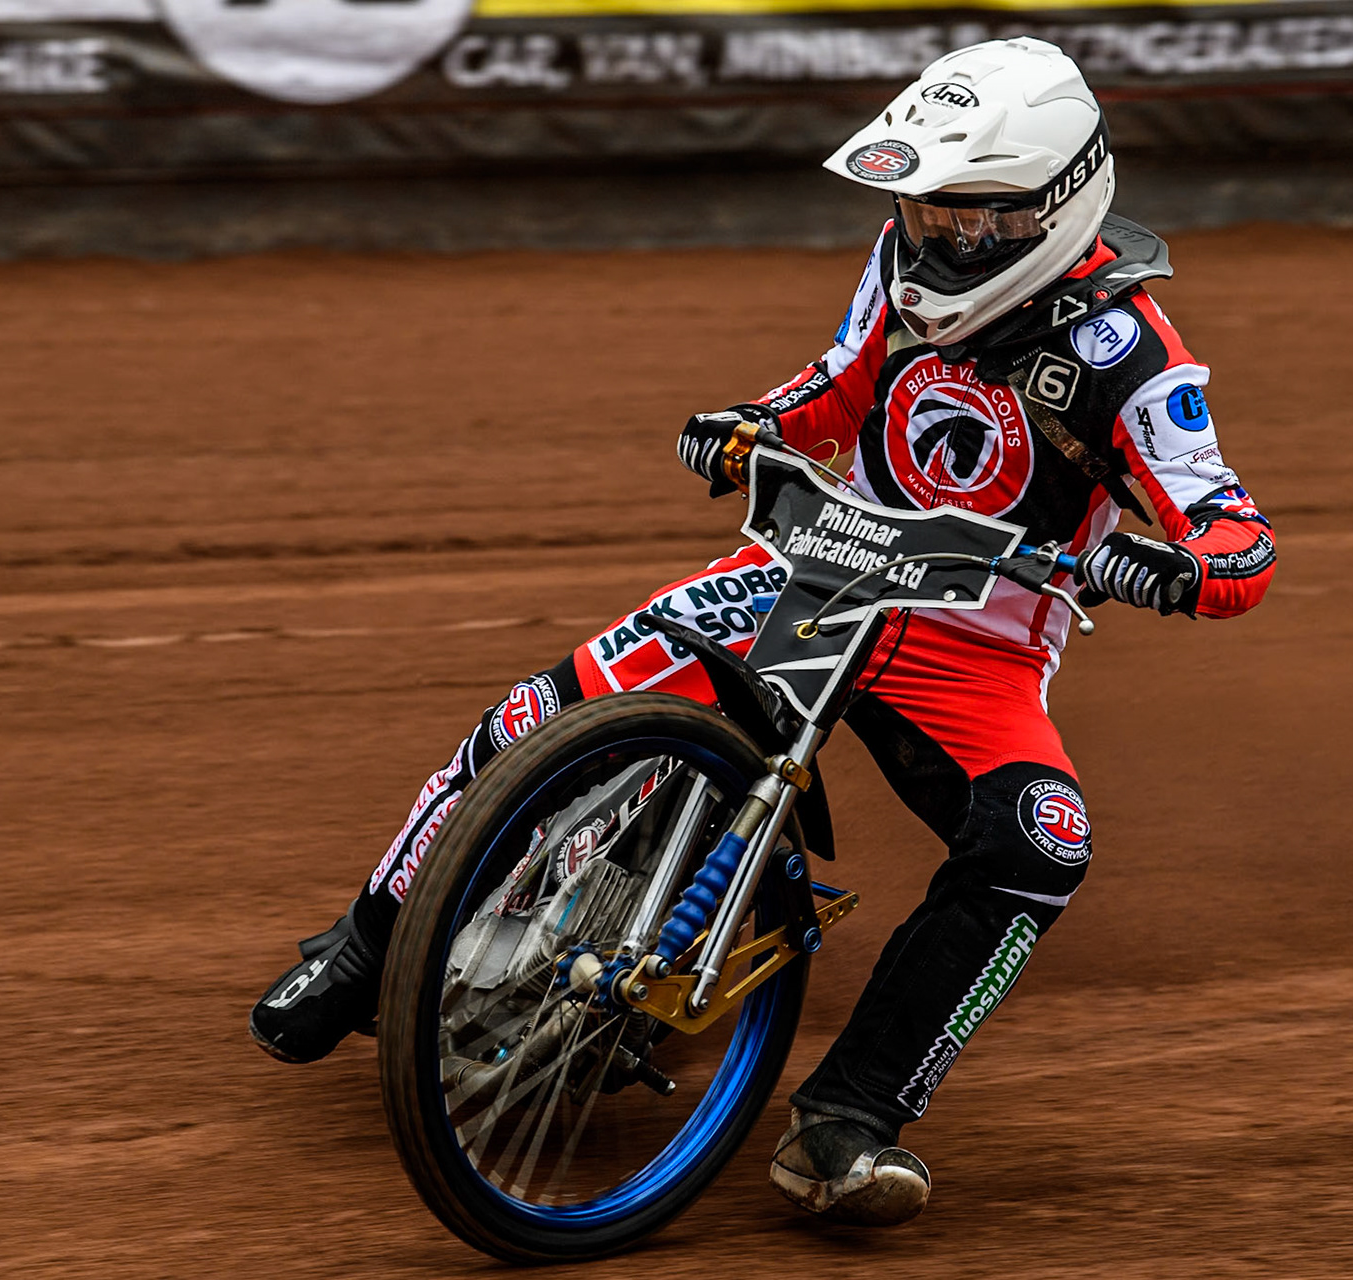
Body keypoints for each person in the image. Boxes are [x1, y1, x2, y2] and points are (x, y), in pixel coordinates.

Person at [248, 36, 1274, 1226]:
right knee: (549, 704)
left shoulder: (1131, 353)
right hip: (814, 569)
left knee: (1041, 841)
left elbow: (1239, 539)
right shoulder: (898, 261)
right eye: (925, 209)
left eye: (968, 216)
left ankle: (850, 1114)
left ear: (1052, 204)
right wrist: (756, 423)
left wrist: (1173, 565)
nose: (938, 238)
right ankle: (369, 939)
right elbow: (835, 389)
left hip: (973, 642)